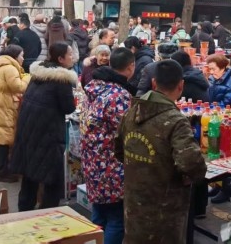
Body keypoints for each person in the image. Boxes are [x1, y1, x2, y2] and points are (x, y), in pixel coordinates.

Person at [115, 60, 207, 244]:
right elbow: (192, 165)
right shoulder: (176, 121)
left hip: (134, 206)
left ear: (154, 83)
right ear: (181, 85)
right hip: (165, 213)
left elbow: (119, 151)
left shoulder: (131, 112)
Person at [11, 42, 77, 210]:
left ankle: (23, 214)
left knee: (30, 176)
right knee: (53, 180)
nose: (73, 57)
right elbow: (68, 108)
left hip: (28, 131)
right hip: (47, 135)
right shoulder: (62, 80)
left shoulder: (38, 74)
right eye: (70, 54)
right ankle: (47, 215)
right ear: (60, 59)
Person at [81, 48, 135, 243]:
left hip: (92, 162)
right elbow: (127, 132)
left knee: (99, 215)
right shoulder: (119, 95)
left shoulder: (95, 87)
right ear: (131, 67)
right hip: (112, 166)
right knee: (116, 219)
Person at [0, 45, 30, 182]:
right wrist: (27, 78)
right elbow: (19, 87)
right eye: (22, 55)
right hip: (4, 105)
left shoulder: (0, 65)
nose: (23, 58)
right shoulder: (10, 68)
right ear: (15, 56)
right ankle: (2, 173)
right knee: (3, 139)